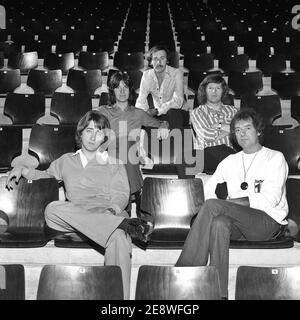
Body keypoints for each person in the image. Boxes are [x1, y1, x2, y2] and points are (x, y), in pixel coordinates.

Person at [5, 110, 152, 300]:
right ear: (80, 133)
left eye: (99, 132)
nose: (93, 136)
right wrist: (21, 168)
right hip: (75, 221)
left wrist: (111, 212)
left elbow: (121, 195)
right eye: (88, 130)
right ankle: (122, 225)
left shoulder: (114, 163)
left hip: (108, 214)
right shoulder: (66, 161)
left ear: (104, 137)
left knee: (119, 238)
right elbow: (44, 177)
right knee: (52, 209)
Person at [175, 108, 289, 299]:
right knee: (219, 222)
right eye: (237, 130)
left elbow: (270, 199)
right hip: (238, 224)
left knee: (214, 206)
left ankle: (184, 272)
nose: (242, 133)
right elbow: (209, 189)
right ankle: (217, 293)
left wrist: (229, 203)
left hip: (267, 222)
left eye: (247, 128)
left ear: (258, 131)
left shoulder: (275, 157)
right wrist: (220, 205)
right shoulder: (230, 160)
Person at [98, 71, 169, 212]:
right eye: (118, 87)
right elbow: (86, 127)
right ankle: (135, 195)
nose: (122, 91)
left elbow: (160, 123)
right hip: (108, 153)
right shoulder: (103, 111)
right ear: (112, 91)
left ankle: (126, 204)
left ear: (130, 90)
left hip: (128, 154)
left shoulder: (138, 113)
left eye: (125, 87)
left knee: (128, 146)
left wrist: (164, 126)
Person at [191, 74, 238, 173]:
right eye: (210, 88)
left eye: (218, 88)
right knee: (223, 150)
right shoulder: (198, 112)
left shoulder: (233, 111)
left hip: (230, 154)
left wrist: (219, 126)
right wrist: (231, 129)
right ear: (205, 91)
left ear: (223, 91)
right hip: (206, 156)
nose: (214, 91)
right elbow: (206, 135)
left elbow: (241, 131)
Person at [135, 45, 190, 130]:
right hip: (159, 115)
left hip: (179, 113)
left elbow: (178, 102)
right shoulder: (146, 75)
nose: (158, 62)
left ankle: (176, 142)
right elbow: (141, 100)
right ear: (151, 62)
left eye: (162, 58)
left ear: (167, 60)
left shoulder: (176, 73)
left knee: (172, 112)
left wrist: (157, 111)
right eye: (155, 59)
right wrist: (143, 113)